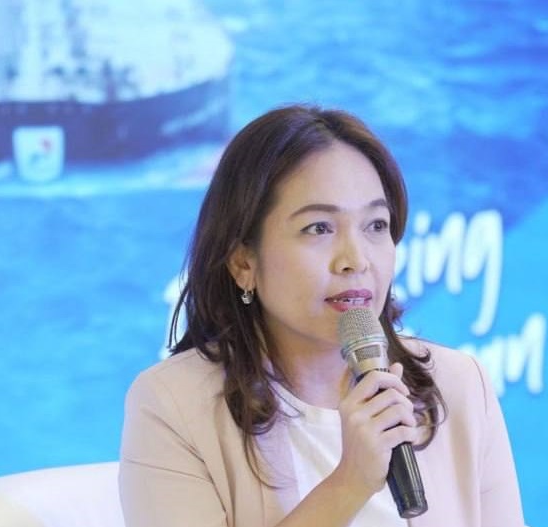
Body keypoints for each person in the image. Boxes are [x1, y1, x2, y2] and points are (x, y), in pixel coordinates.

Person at [118, 104, 524, 527]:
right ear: (243, 263)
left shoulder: (458, 387)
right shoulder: (173, 406)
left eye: (376, 226)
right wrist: (349, 483)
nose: (356, 259)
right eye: (319, 228)